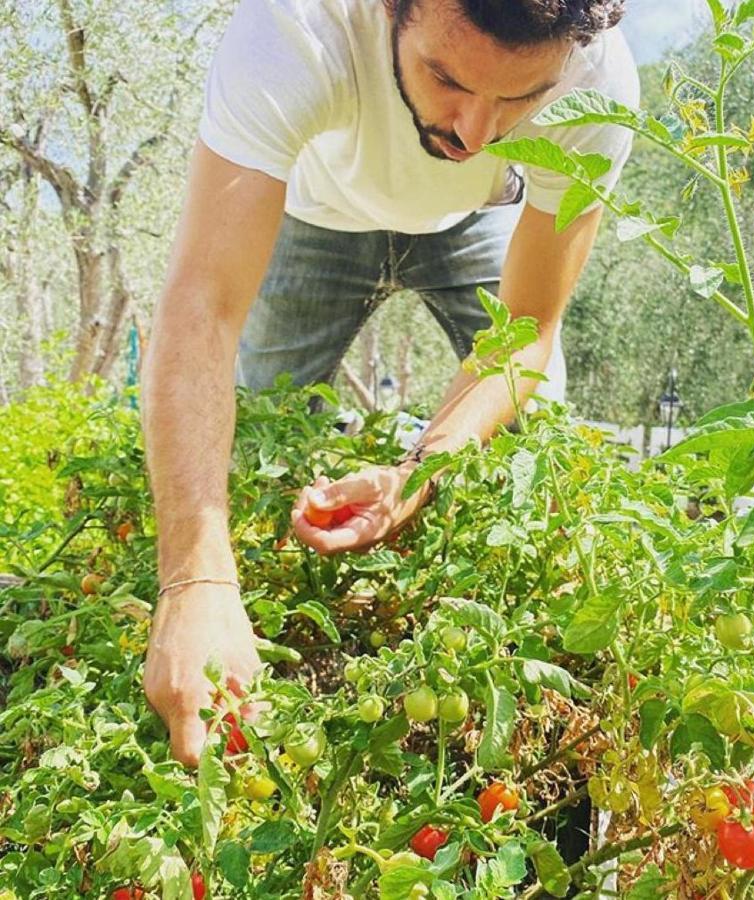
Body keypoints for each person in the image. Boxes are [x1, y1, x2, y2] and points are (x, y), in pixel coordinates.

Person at [141, 0, 639, 766]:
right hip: (315, 215)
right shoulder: (294, 28)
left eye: (518, 99)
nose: (475, 133)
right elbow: (201, 309)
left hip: (477, 220)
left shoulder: (597, 81)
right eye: (446, 77)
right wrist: (192, 582)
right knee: (242, 445)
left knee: (533, 441)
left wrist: (421, 468)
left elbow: (527, 329)